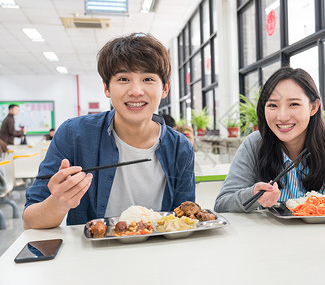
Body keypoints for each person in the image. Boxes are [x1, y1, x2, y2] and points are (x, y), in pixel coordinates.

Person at [23, 33, 196, 229]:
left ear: (165, 89)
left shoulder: (180, 147)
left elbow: (185, 220)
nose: (136, 91)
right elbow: (30, 221)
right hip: (92, 256)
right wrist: (59, 202)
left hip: (159, 255)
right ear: (106, 87)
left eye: (148, 78)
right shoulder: (73, 135)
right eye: (123, 79)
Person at [214, 67, 325, 212]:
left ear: (313, 107)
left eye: (294, 104)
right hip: (267, 239)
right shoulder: (254, 145)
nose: (282, 116)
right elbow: (222, 204)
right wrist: (253, 195)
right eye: (273, 105)